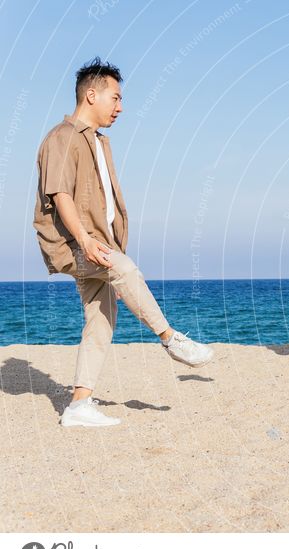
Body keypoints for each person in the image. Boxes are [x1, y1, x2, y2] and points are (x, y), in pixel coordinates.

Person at [33, 58, 214, 427]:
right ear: (91, 94)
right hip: (75, 244)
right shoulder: (62, 137)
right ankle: (170, 339)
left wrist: (110, 247)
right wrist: (85, 241)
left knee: (101, 321)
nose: (120, 106)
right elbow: (60, 194)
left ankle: (79, 406)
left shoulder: (98, 142)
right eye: (115, 98)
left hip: (99, 242)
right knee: (126, 270)